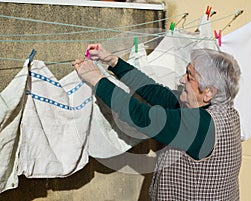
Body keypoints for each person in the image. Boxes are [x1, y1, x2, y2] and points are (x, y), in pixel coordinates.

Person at [73, 44, 242, 201]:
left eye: (189, 76)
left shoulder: (200, 125)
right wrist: (113, 62)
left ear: (208, 92)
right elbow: (157, 93)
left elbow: (142, 116)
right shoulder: (226, 112)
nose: (182, 80)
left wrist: (96, 79)